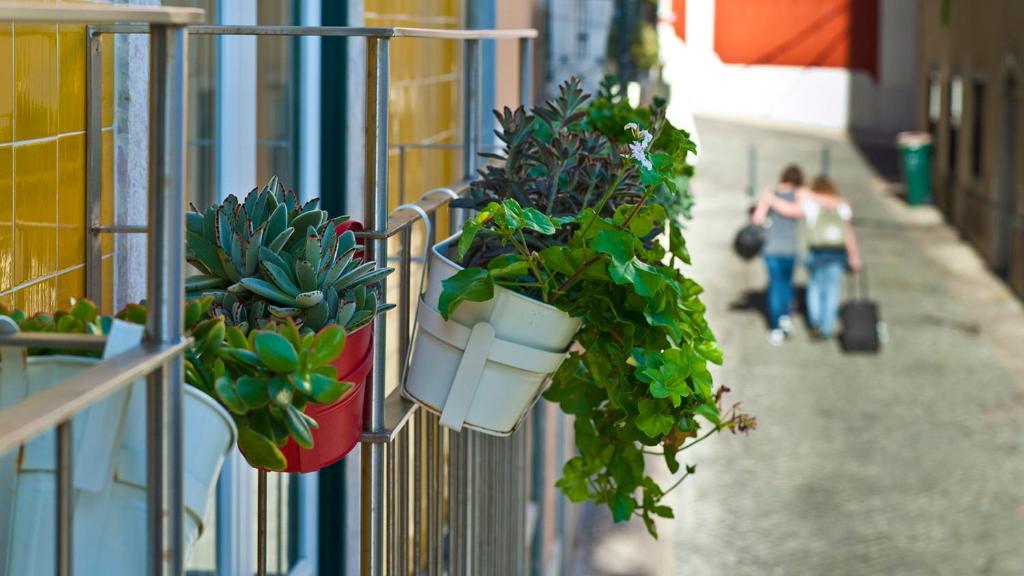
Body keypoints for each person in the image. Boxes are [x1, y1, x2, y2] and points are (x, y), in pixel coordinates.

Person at [799, 176, 862, 339]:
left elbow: (802, 194)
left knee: (815, 287)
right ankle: (827, 327)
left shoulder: (811, 204)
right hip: (837, 252)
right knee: (832, 290)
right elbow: (848, 233)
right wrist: (854, 255)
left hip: (817, 251)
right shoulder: (842, 205)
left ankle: (815, 321)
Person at [751, 165, 803, 345]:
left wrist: (769, 200)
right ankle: (782, 318)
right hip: (789, 249)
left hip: (771, 249)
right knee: (785, 285)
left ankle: (777, 324)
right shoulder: (798, 195)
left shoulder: (770, 194)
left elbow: (757, 219)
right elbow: (797, 211)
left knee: (775, 286)